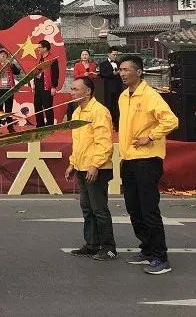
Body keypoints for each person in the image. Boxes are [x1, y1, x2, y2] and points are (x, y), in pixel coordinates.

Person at [118, 55, 178, 275]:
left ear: (139, 72)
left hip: (147, 159)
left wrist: (151, 137)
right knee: (134, 208)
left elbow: (171, 120)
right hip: (129, 159)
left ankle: (161, 258)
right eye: (120, 69)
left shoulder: (150, 95)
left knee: (149, 209)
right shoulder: (124, 96)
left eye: (126, 69)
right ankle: (147, 249)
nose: (122, 73)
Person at [65, 77, 116, 261]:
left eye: (75, 89)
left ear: (88, 91)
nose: (72, 92)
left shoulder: (99, 111)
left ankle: (109, 247)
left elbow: (104, 142)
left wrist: (95, 165)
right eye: (71, 89)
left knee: (99, 209)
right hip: (81, 166)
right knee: (87, 208)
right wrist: (72, 163)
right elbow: (78, 143)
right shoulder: (77, 112)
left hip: (97, 168)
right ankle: (92, 244)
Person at [0, 49, 21, 132]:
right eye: (1, 55)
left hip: (8, 89)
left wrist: (12, 65)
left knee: (8, 109)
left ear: (7, 56)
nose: (3, 56)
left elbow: (17, 72)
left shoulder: (10, 65)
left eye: (4, 55)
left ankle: (10, 128)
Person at [33, 40, 59, 127]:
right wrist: (34, 83)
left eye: (39, 47)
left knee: (47, 106)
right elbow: (35, 72)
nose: (38, 49)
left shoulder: (52, 59)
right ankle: (40, 124)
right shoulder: (38, 58)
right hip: (38, 84)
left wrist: (54, 86)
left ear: (45, 48)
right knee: (37, 105)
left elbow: (55, 73)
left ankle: (49, 125)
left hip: (47, 86)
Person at [99, 48, 122, 130]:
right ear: (109, 54)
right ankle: (108, 125)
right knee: (108, 106)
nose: (115, 56)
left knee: (118, 107)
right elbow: (102, 74)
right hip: (108, 89)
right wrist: (112, 74)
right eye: (113, 54)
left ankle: (118, 125)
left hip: (118, 88)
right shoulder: (103, 64)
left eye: (116, 55)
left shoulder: (119, 64)